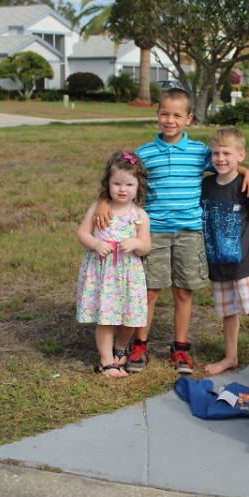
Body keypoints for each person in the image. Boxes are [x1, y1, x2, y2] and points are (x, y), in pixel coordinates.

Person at [93, 88, 249, 374]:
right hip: (153, 232)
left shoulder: (199, 153)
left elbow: (226, 163)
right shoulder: (144, 154)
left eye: (177, 115)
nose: (170, 120)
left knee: (183, 292)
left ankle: (180, 348)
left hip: (189, 232)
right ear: (157, 115)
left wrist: (248, 172)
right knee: (149, 291)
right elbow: (123, 180)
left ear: (189, 118)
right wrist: (103, 201)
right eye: (164, 114)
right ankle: (140, 345)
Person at [201, 127, 249, 386]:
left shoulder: (245, 186)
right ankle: (230, 357)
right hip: (217, 262)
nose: (221, 158)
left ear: (241, 155)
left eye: (227, 153)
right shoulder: (206, 184)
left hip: (243, 264)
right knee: (228, 312)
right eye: (216, 153)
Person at [77, 151, 151, 378]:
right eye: (116, 183)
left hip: (129, 274)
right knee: (107, 318)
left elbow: (147, 246)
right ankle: (107, 360)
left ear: (138, 186)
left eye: (129, 184)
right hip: (104, 273)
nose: (122, 189)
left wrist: (136, 242)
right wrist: (95, 243)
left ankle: (121, 348)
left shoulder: (139, 215)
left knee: (130, 318)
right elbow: (82, 232)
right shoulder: (98, 208)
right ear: (107, 183)